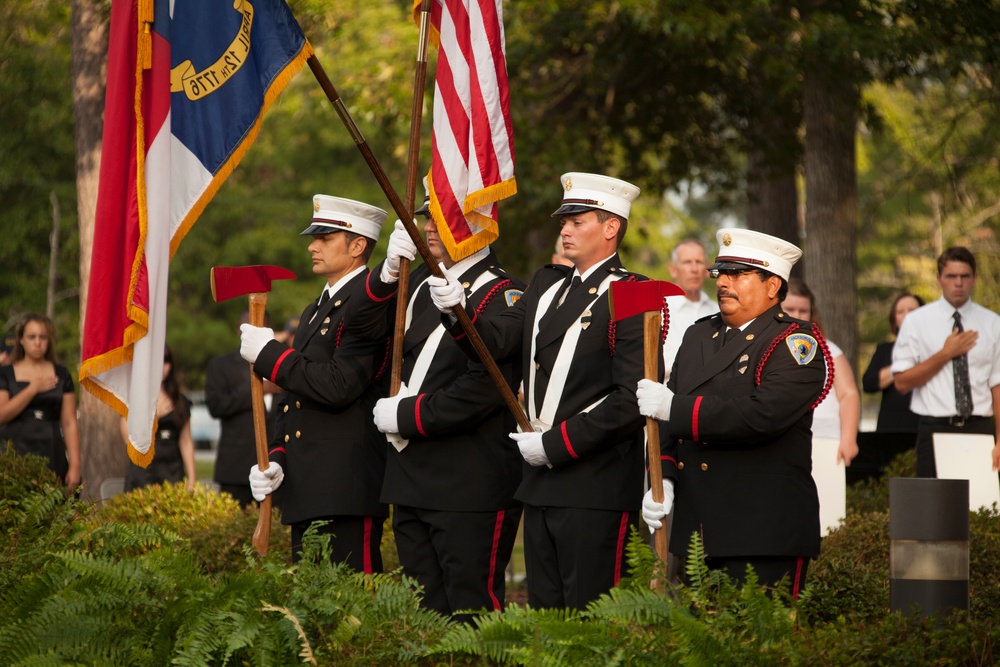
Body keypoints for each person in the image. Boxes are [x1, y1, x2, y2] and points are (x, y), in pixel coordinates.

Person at [428, 172, 652, 610]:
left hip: (595, 483)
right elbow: (496, 345)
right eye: (563, 221)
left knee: (590, 620)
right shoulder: (547, 285)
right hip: (540, 482)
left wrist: (556, 443)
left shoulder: (633, 293)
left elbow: (630, 400)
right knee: (546, 619)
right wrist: (459, 311)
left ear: (611, 228)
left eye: (578, 221)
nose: (565, 230)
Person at [353, 188, 525, 621]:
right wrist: (387, 274)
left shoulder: (506, 294)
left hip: (467, 486)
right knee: (423, 619)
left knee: (471, 618)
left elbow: (487, 386)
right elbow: (357, 331)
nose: (429, 226)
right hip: (411, 480)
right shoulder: (419, 283)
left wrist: (408, 416)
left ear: (477, 224)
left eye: (442, 217)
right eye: (428, 217)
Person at [636, 228, 831, 597]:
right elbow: (666, 424)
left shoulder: (794, 342)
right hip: (700, 531)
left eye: (738, 274)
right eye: (720, 274)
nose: (723, 282)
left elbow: (761, 416)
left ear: (773, 285)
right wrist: (663, 480)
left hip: (763, 530)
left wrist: (675, 408)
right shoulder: (697, 337)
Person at [239, 194, 391, 572]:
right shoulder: (315, 309)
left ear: (357, 246)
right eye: (314, 237)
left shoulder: (368, 301)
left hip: (346, 488)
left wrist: (270, 355)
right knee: (310, 618)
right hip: (307, 489)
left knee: (353, 613)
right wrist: (277, 458)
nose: (312, 245)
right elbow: (295, 401)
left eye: (325, 238)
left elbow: (339, 384)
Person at [892, 247, 1000, 477]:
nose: (958, 283)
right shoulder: (916, 322)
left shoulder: (993, 324)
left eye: (965, 276)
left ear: (974, 279)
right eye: (951, 276)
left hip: (979, 428)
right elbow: (901, 382)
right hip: (934, 428)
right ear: (939, 279)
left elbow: (997, 386)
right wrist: (945, 353)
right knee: (934, 509)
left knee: (982, 508)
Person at [783, 278, 859, 535]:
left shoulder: (829, 349)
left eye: (803, 310)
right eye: (790, 310)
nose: (797, 316)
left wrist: (848, 439)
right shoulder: (766, 347)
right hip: (782, 444)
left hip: (827, 442)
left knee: (828, 521)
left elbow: (848, 393)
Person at [205, 310, 279, 509]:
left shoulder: (284, 365)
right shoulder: (221, 366)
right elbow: (216, 405)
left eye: (261, 326)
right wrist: (258, 389)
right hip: (236, 470)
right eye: (249, 326)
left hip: (277, 470)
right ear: (240, 332)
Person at [0, 313, 81, 489]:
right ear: (21, 339)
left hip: (52, 451)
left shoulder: (62, 374)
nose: (37, 343)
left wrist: (74, 466)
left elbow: (69, 422)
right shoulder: (5, 373)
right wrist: (32, 389)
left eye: (43, 337)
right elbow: (2, 415)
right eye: (32, 337)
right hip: (14, 453)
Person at [123, 345, 196, 492]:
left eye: (166, 361)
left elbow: (186, 442)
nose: (162, 367)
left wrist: (192, 478)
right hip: (142, 474)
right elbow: (129, 439)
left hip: (173, 473)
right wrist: (157, 416)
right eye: (157, 361)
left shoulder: (180, 401)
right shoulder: (132, 398)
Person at [662, 238, 719, 376]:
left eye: (699, 262)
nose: (694, 269)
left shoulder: (717, 311)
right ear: (673, 269)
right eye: (687, 262)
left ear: (707, 269)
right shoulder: (659, 311)